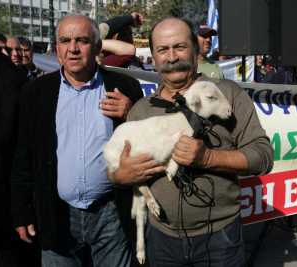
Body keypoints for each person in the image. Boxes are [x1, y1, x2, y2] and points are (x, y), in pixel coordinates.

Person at [109, 17, 274, 267]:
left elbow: (263, 156)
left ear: (196, 51)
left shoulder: (227, 94)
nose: (172, 56)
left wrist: (208, 157)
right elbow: (117, 170)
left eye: (180, 46)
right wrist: (120, 176)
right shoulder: (141, 111)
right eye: (163, 49)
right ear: (153, 57)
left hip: (220, 239)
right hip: (161, 240)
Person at [10, 15, 143, 267]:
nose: (73, 48)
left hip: (112, 215)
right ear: (57, 48)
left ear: (97, 46)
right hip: (56, 214)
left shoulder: (124, 87)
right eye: (65, 41)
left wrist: (132, 113)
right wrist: (21, 210)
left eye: (81, 40)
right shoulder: (36, 92)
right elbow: (24, 155)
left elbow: (145, 142)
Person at [0, 41, 38, 267]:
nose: (13, 55)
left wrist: (21, 209)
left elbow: (24, 148)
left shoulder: (16, 79)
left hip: (11, 204)